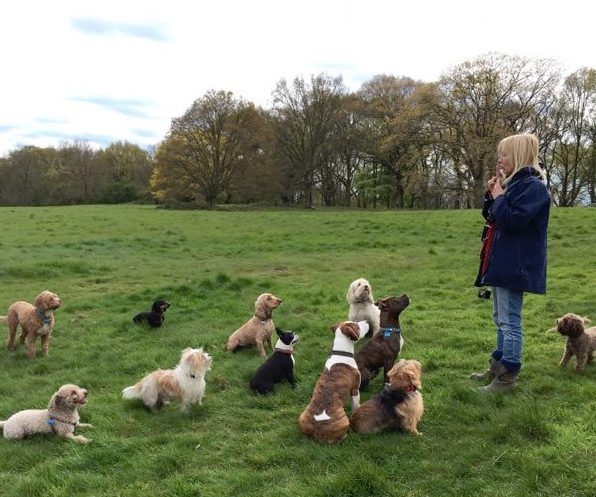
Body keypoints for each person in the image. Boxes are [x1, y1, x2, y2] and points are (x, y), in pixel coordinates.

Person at [471, 133, 550, 392]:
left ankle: (507, 377)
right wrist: (492, 195)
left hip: (515, 265)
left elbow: (514, 220)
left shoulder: (534, 188)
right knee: (500, 317)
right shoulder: (515, 185)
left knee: (510, 321)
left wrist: (500, 196)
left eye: (504, 154)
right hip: (502, 262)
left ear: (517, 155)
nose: (500, 159)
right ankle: (497, 369)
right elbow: (494, 216)